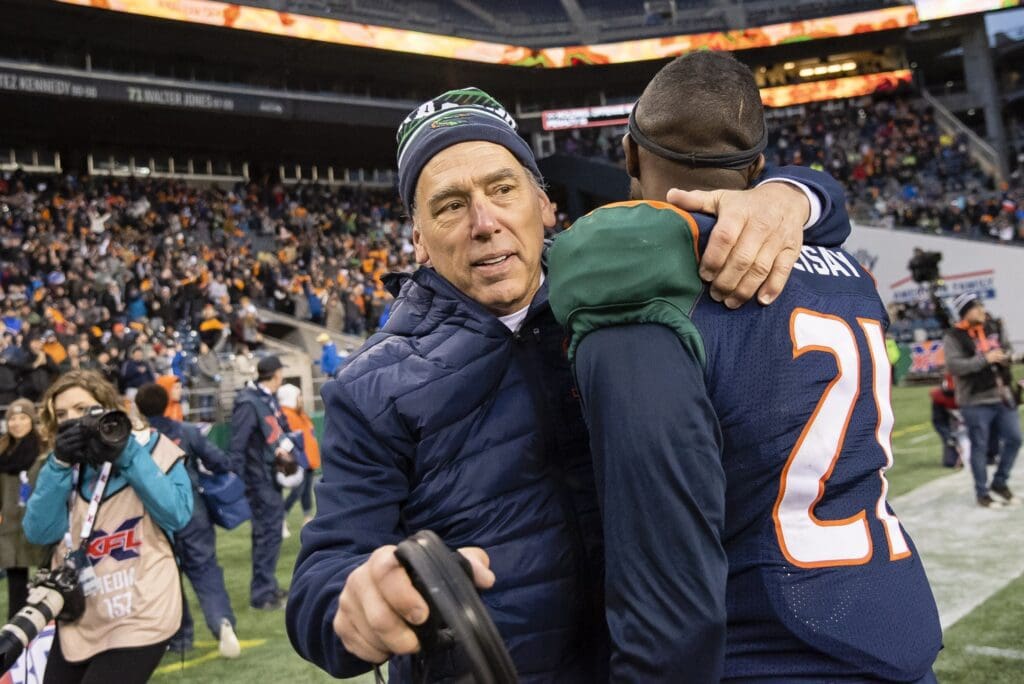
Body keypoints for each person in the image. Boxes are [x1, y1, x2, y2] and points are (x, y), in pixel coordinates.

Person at [286, 85, 852, 682]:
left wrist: (791, 195)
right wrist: (352, 602)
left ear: (545, 203)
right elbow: (321, 583)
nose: (484, 222)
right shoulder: (371, 386)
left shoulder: (627, 286)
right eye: (449, 205)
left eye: (502, 189)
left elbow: (825, 207)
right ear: (419, 239)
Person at [548, 52, 941, 682]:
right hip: (895, 629)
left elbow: (666, 583)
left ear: (627, 156)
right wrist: (797, 190)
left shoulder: (641, 264)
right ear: (757, 169)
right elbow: (822, 201)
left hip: (763, 649)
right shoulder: (853, 276)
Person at [22, 369, 193, 684]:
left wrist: (126, 453)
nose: (71, 419)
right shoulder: (60, 466)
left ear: (108, 408)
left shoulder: (152, 446)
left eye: (83, 409)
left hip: (141, 607)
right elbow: (39, 532)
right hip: (82, 613)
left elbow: (177, 514)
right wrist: (58, 465)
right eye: (61, 414)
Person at [134, 383, 241, 659]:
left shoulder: (134, 442)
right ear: (167, 402)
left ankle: (181, 637)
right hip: (193, 512)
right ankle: (222, 623)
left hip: (155, 517)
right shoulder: (187, 432)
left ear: (139, 408)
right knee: (205, 570)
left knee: (167, 576)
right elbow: (219, 461)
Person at [229, 354, 296, 609]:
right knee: (266, 534)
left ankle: (268, 586)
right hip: (258, 479)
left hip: (270, 475)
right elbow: (238, 444)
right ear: (276, 374)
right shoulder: (249, 402)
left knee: (271, 534)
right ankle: (262, 593)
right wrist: (241, 479)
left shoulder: (264, 399)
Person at [942, 293, 1020, 507]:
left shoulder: (993, 326)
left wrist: (1005, 356)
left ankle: (1000, 482)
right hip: (974, 400)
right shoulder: (953, 336)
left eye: (982, 306)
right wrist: (984, 359)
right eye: (976, 308)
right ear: (965, 312)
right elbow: (954, 366)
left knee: (1015, 439)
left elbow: (1007, 348)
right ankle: (982, 493)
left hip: (1002, 395)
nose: (982, 311)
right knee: (980, 447)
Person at [0, 399, 48, 619]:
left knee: (45, 579)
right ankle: (15, 632)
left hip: (39, 523)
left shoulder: (44, 451)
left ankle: (46, 627)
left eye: (22, 417)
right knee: (15, 582)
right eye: (12, 418)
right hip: (9, 524)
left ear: (32, 420)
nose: (16, 423)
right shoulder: (3, 451)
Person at [277, 383, 319, 536]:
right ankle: (281, 516)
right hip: (298, 459)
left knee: (307, 490)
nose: (301, 399)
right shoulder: (286, 415)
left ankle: (308, 519)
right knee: (297, 491)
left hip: (309, 459)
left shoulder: (300, 414)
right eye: (298, 396)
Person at [929, 377, 967, 468]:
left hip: (973, 427)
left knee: (978, 457)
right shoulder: (939, 398)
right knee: (950, 463)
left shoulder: (973, 395)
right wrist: (950, 439)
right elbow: (939, 421)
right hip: (954, 428)